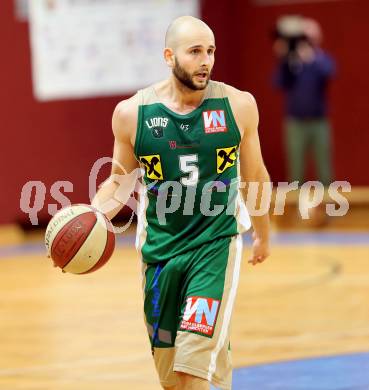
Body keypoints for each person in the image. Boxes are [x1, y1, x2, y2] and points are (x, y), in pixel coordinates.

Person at [92, 16, 270, 390]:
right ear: (169, 56)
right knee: (173, 381)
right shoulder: (132, 114)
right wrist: (91, 217)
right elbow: (118, 182)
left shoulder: (238, 106)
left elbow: (256, 176)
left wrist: (262, 234)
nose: (206, 60)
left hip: (214, 248)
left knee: (193, 370)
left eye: (211, 51)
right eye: (195, 52)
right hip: (159, 253)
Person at [274, 17, 335, 189]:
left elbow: (329, 71)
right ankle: (296, 211)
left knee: (324, 169)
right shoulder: (291, 62)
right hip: (295, 122)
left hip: (319, 122)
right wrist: (285, 58)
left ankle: (328, 210)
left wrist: (312, 58)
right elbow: (279, 82)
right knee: (296, 171)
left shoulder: (321, 59)